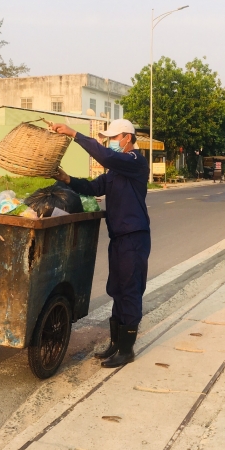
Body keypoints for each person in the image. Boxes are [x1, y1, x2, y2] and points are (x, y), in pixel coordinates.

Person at [47, 119, 150, 368]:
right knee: (117, 289)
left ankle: (127, 350)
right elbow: (93, 186)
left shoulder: (135, 161)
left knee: (130, 291)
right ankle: (116, 344)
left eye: (114, 138)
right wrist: (67, 179)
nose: (111, 143)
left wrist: (74, 134)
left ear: (127, 137)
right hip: (119, 238)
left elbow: (106, 157)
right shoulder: (115, 172)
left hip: (133, 238)